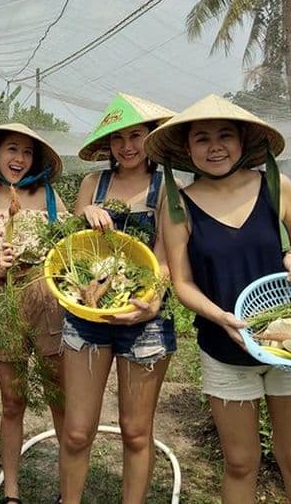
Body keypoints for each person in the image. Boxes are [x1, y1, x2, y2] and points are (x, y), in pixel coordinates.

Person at [145, 94, 291, 504]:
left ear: (243, 141)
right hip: (224, 348)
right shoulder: (179, 205)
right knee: (241, 463)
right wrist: (223, 318)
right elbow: (184, 283)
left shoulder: (275, 185)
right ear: (188, 149)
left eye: (225, 135)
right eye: (202, 138)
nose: (215, 147)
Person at [59, 93, 177, 504]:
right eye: (118, 138)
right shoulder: (94, 184)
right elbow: (71, 251)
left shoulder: (167, 187)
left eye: (136, 136)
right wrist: (85, 214)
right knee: (76, 431)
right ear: (107, 145)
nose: (127, 146)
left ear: (151, 138)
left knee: (136, 430)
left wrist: (152, 299)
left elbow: (167, 256)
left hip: (145, 320)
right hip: (87, 315)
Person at [0, 123, 67, 504]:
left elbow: (69, 249)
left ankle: (67, 490)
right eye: (12, 150)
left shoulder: (48, 198)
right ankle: (13, 493)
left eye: (26, 153)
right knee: (12, 401)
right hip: (2, 305)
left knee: (59, 397)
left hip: (48, 305)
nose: (19, 159)